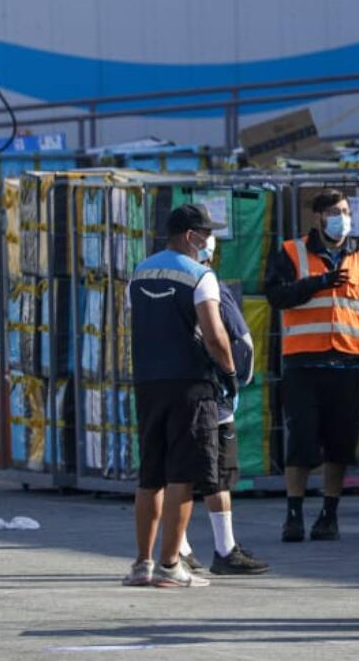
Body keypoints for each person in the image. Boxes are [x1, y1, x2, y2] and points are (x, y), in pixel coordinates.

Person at [122, 204, 236, 588]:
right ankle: (171, 564)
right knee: (182, 476)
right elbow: (216, 334)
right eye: (205, 235)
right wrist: (230, 371)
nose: (209, 242)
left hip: (148, 384)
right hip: (190, 385)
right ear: (190, 236)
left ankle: (142, 564)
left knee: (150, 476)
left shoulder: (139, 272)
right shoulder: (201, 276)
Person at [265, 189, 359, 543]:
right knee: (300, 441)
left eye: (346, 211)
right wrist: (318, 283)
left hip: (346, 360)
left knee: (339, 443)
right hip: (303, 360)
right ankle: (294, 513)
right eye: (334, 211)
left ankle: (329, 514)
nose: (341, 217)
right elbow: (277, 296)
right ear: (317, 217)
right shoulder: (290, 251)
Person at [179, 277, 271, 576]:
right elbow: (233, 339)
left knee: (179, 471)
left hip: (172, 391)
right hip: (212, 392)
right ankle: (224, 549)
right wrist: (233, 376)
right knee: (219, 471)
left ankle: (179, 548)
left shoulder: (154, 280)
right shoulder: (208, 285)